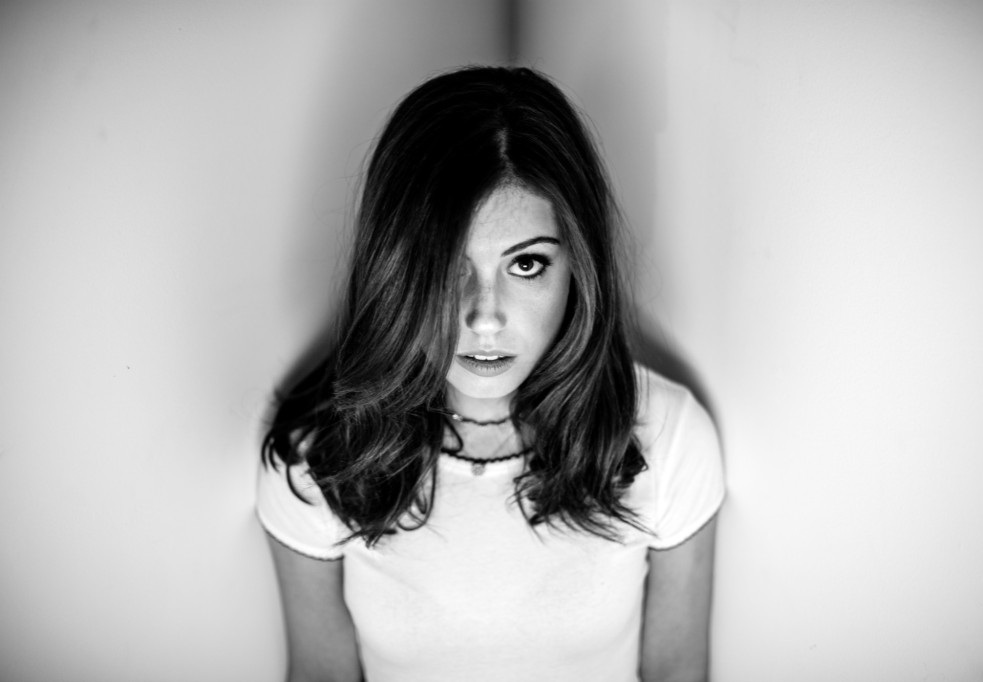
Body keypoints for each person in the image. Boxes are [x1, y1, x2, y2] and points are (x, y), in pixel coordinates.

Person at [256, 65, 725, 682]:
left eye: (526, 265)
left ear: (578, 267)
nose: (484, 317)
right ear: (396, 268)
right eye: (447, 266)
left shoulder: (666, 438)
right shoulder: (318, 457)